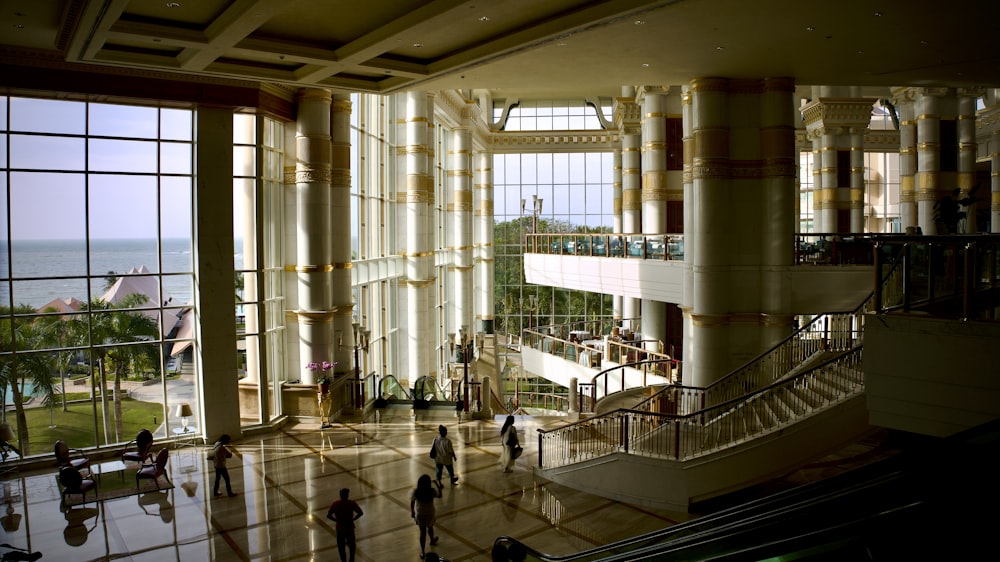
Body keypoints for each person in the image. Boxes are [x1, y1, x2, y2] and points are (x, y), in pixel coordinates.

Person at [410, 474, 443, 559]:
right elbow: (440, 495)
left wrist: (412, 511)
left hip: (420, 514)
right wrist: (437, 484)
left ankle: (423, 551)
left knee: (422, 532)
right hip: (430, 513)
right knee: (430, 527)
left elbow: (412, 502)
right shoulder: (431, 491)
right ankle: (432, 539)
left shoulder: (416, 491)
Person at [326, 487, 364, 562]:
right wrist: (353, 519)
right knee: (352, 546)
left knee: (341, 547)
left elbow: (328, 515)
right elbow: (360, 513)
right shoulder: (351, 503)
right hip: (350, 527)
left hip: (340, 528)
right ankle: (351, 560)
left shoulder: (336, 504)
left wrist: (336, 520)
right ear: (347, 495)